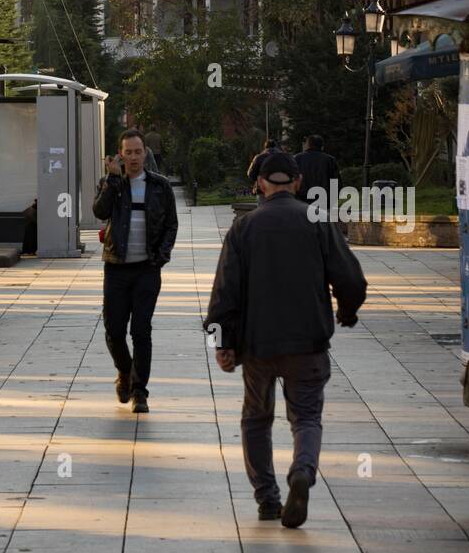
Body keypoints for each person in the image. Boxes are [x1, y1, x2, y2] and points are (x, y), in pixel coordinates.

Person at [204, 150, 367, 528]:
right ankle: (302, 472)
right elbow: (351, 278)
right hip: (307, 343)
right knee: (306, 417)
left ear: (260, 184)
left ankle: (267, 499)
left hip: (258, 347)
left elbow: (224, 293)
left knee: (256, 420)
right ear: (297, 182)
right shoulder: (316, 221)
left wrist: (223, 343)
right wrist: (347, 311)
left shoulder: (244, 228)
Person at [93, 128, 178, 414]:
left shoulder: (160, 186)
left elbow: (171, 225)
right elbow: (100, 211)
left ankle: (140, 392)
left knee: (141, 330)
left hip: (147, 270)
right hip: (116, 267)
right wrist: (114, 180)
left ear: (145, 153)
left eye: (137, 151)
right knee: (114, 329)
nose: (133, 157)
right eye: (127, 152)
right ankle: (125, 372)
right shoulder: (112, 182)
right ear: (120, 154)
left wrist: (161, 256)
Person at [294, 134, 340, 209]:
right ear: (322, 147)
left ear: (307, 145)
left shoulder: (296, 159)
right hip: (325, 203)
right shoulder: (330, 160)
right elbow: (335, 182)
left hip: (302, 202)